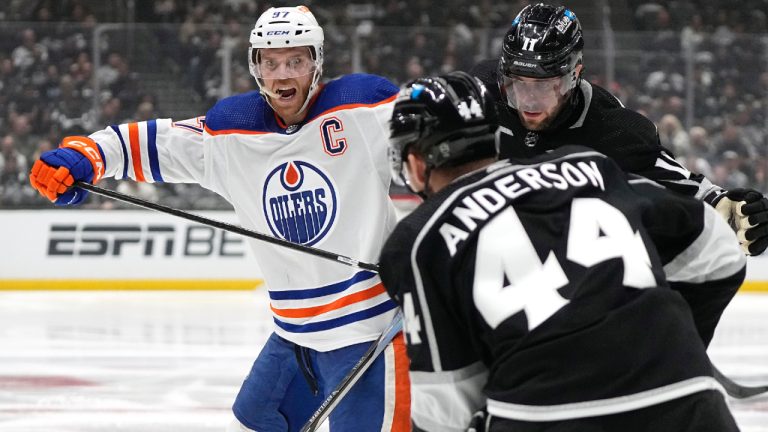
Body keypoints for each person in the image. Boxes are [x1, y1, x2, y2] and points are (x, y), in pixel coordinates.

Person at [28, 6, 410, 432]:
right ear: (255, 67)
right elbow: (160, 142)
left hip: (371, 334)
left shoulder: (365, 109)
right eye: (271, 62)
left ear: (317, 62)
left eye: (296, 61)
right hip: (295, 337)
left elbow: (443, 124)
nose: (283, 75)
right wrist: (86, 155)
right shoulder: (232, 132)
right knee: (254, 423)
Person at [379, 71, 746, 432]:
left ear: (414, 162)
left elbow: (445, 410)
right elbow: (719, 248)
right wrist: (679, 335)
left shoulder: (418, 238)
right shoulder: (588, 166)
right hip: (688, 399)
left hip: (545, 417)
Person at [470, 3, 768, 257]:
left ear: (574, 75)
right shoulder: (479, 92)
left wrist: (727, 208)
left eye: (545, 86)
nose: (528, 101)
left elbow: (680, 181)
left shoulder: (611, 127)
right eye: (518, 85)